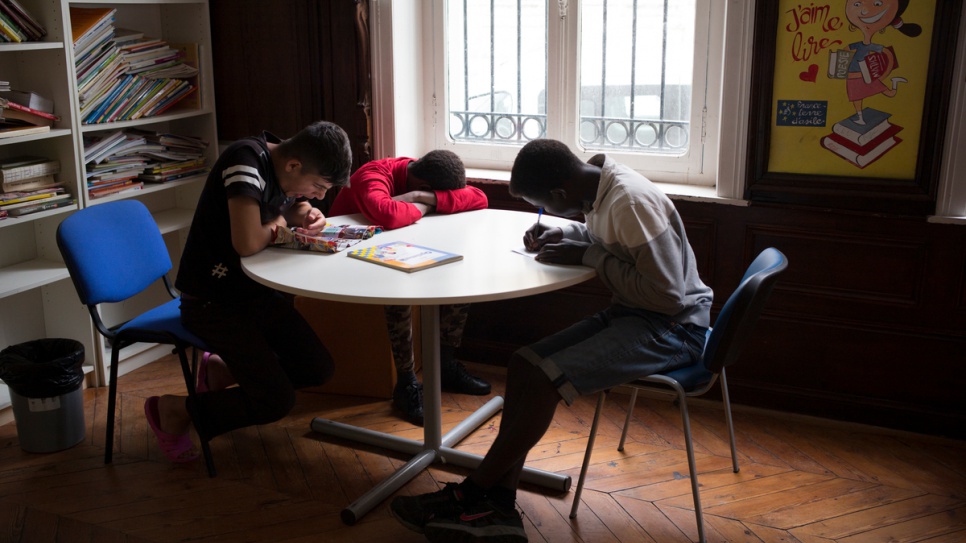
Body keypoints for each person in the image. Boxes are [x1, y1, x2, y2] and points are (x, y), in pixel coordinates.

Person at [388, 139, 713, 543]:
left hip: (674, 328)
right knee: (525, 363)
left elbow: (666, 296)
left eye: (544, 206)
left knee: (545, 379)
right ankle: (499, 505)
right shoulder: (601, 186)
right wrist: (566, 229)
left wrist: (587, 255)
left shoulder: (631, 203)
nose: (542, 213)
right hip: (637, 314)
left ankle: (470, 493)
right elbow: (610, 238)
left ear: (561, 192)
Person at [143, 121, 354, 463]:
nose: (320, 195)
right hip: (212, 302)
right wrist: (285, 220)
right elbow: (248, 241)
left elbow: (276, 209)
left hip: (253, 294)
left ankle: (221, 372)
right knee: (275, 402)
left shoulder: (281, 164)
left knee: (318, 368)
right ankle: (174, 410)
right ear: (294, 165)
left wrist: (301, 211)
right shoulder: (244, 161)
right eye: (318, 186)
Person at [327, 150, 491, 426]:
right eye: (425, 194)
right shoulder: (373, 174)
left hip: (393, 252)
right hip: (345, 262)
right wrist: (435, 204)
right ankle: (405, 383)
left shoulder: (420, 180)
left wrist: (418, 199)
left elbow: (479, 198)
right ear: (425, 183)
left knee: (458, 274)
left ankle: (444, 364)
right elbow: (387, 214)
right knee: (399, 290)